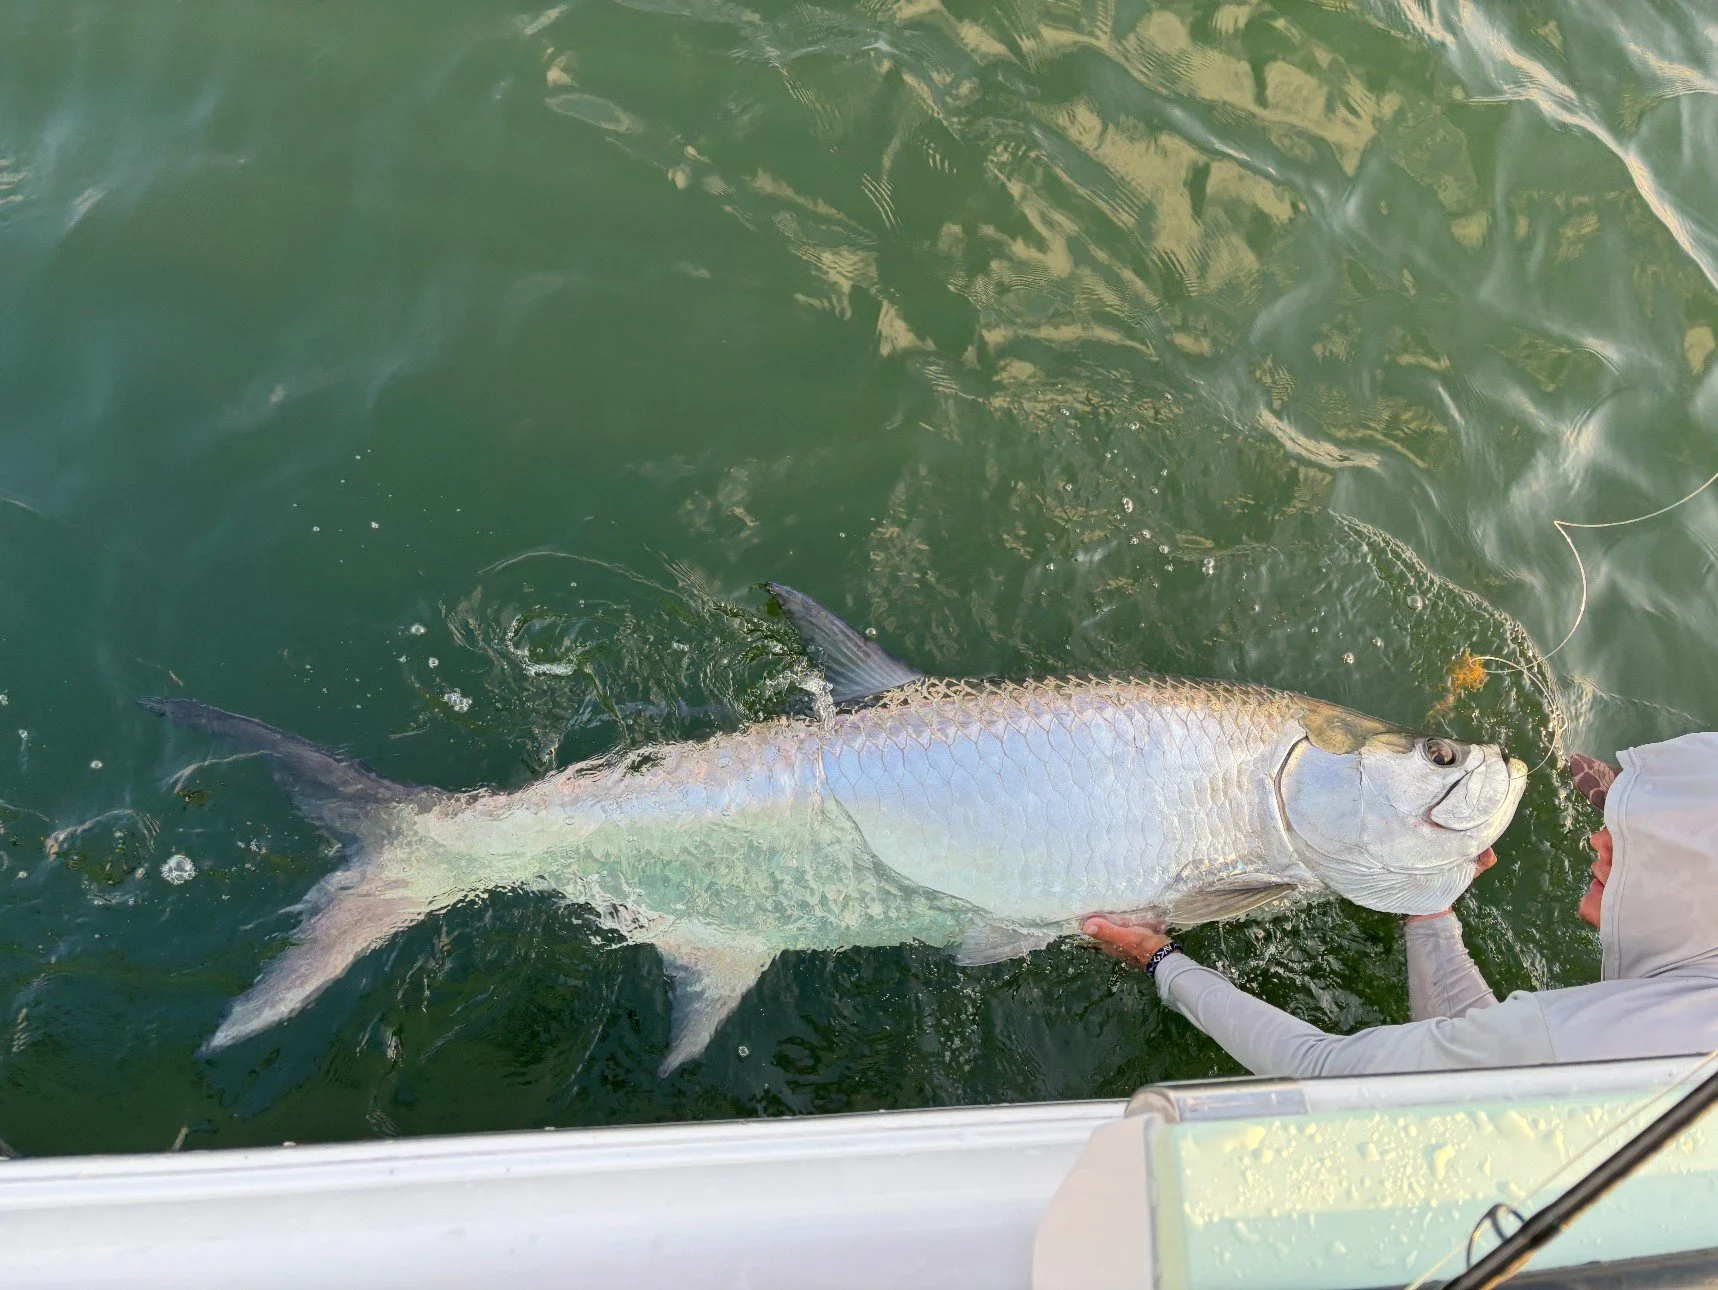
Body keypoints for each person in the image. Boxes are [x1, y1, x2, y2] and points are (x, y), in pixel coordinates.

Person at [1084, 733, 1718, 1075]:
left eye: (1640, 843)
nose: (1596, 840)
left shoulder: (1639, 1038)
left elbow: (1323, 1067)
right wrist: (1429, 908)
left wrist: (1161, 960)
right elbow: (1479, 1058)